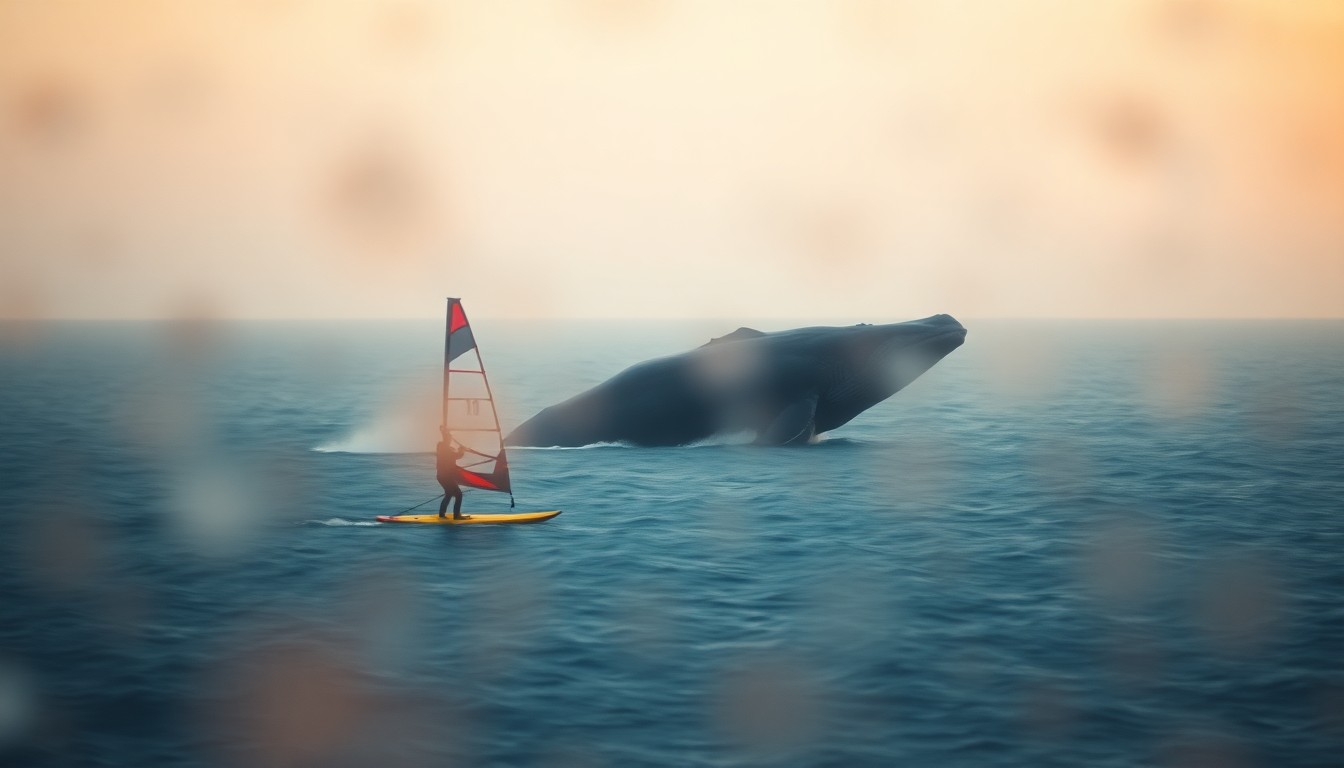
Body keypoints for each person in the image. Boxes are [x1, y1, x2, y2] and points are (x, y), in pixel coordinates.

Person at [436, 427, 469, 520]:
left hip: (441, 476)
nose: (450, 440)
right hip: (445, 476)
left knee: (449, 493)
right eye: (449, 438)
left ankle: (441, 515)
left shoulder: (442, 446)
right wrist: (461, 451)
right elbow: (456, 455)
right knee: (459, 494)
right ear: (446, 439)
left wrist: (461, 449)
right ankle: (456, 515)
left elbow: (454, 452)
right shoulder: (443, 447)